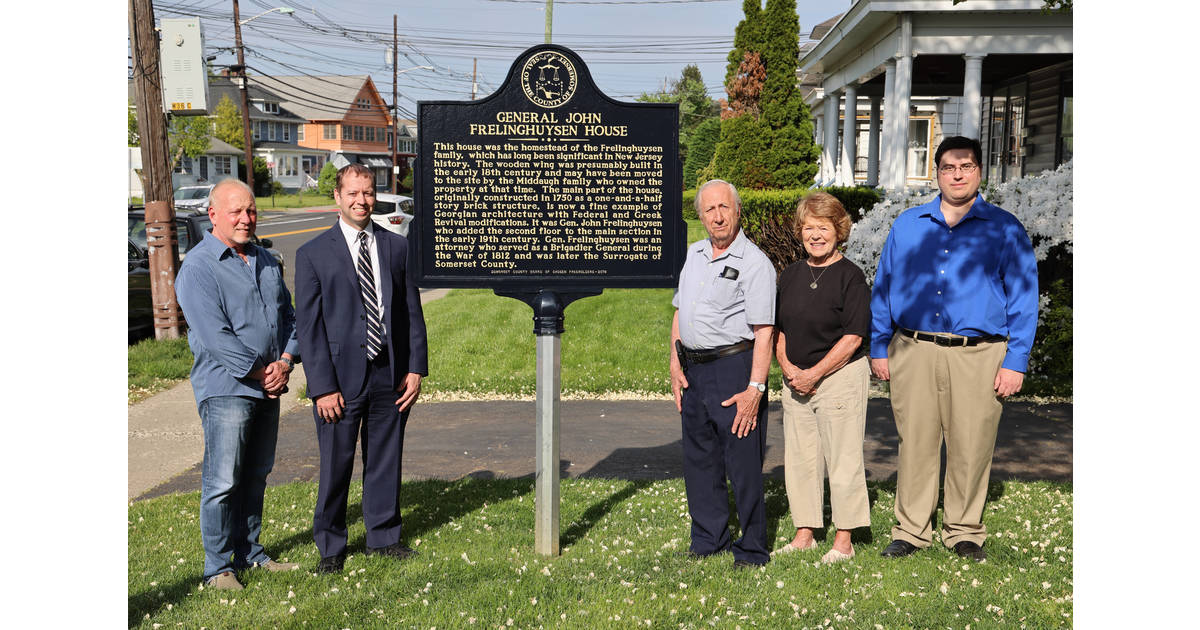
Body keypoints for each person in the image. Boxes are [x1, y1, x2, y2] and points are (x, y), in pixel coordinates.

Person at [870, 136, 1038, 562]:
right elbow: (884, 287)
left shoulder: (1004, 228)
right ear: (937, 173)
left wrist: (1016, 361)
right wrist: (878, 345)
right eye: (948, 167)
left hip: (980, 354)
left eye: (966, 166)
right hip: (914, 349)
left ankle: (964, 531)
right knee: (917, 442)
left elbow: (1023, 298)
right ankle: (911, 530)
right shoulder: (907, 225)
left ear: (979, 171)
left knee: (971, 443)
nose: (957, 174)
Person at [294, 164, 429, 574]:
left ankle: (383, 536)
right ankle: (331, 546)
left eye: (368, 193)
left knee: (386, 458)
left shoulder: (395, 247)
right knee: (336, 463)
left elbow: (410, 311)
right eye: (353, 193)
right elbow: (309, 328)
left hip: (389, 372)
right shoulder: (312, 254)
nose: (361, 201)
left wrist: (415, 367)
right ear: (337, 197)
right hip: (338, 379)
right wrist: (321, 387)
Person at [175, 178, 300, 590]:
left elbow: (289, 319)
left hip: (268, 384)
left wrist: (284, 361)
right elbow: (216, 336)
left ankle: (251, 554)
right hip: (227, 388)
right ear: (213, 215)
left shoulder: (265, 260)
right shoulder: (197, 267)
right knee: (223, 480)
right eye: (236, 212)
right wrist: (262, 373)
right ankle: (217, 568)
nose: (246, 219)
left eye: (251, 210)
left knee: (257, 474)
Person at [669, 179, 775, 569]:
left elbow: (765, 332)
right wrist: (674, 362)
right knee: (699, 458)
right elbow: (680, 312)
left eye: (724, 208)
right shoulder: (694, 254)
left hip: (734, 368)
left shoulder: (755, 263)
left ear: (737, 211)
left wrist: (755, 388)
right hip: (693, 369)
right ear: (700, 215)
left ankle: (752, 547)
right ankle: (708, 539)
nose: (717, 216)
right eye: (709, 209)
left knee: (743, 463)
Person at [772, 192, 872, 564]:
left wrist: (815, 373)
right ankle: (805, 532)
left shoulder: (851, 277)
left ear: (838, 231)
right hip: (795, 379)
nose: (816, 235)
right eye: (809, 228)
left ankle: (843, 540)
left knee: (843, 458)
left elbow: (853, 337)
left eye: (823, 228)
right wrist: (788, 368)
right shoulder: (791, 275)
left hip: (839, 379)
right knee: (800, 457)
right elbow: (777, 328)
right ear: (800, 232)